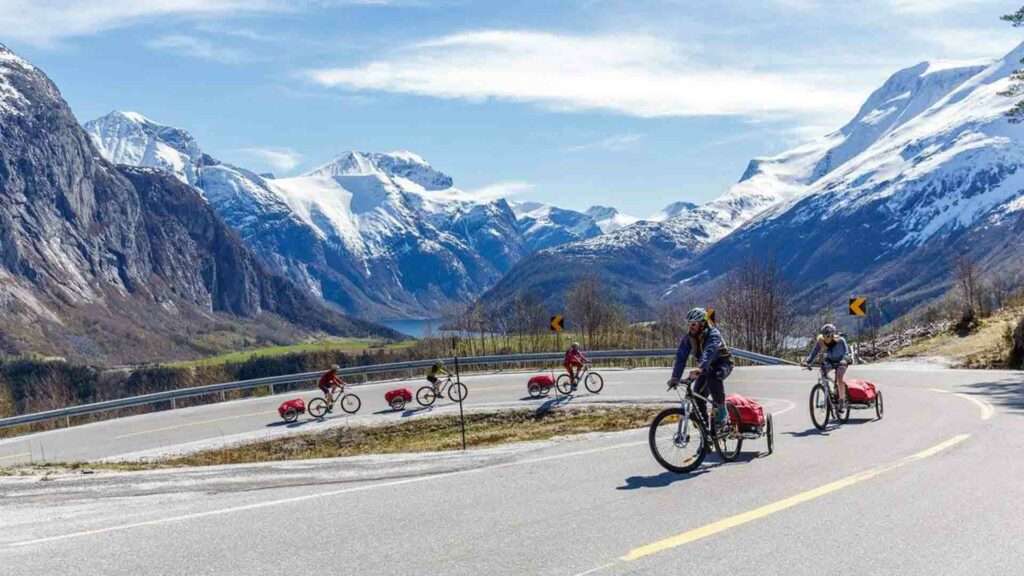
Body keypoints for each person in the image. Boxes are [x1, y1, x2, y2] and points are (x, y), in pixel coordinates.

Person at [667, 307, 733, 429]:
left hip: (723, 364)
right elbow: (681, 357)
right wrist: (675, 377)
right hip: (705, 368)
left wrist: (700, 368)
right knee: (697, 396)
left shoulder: (713, 334)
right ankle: (705, 436)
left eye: (693, 324)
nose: (690, 327)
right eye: (689, 324)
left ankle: (722, 411)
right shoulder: (689, 338)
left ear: (702, 324)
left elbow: (709, 352)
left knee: (714, 377)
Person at [802, 323, 851, 409]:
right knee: (822, 372)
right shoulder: (820, 341)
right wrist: (808, 362)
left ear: (833, 334)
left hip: (841, 361)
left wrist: (844, 360)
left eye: (828, 335)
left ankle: (842, 400)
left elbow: (847, 353)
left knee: (839, 378)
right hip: (830, 361)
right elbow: (814, 353)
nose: (826, 337)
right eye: (825, 335)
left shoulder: (840, 340)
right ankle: (827, 392)